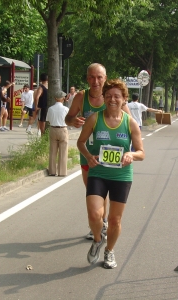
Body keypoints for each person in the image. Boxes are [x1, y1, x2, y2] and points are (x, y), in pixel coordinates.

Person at [77, 78, 145, 269]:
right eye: (108, 96)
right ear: (104, 98)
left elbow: (142, 153)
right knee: (94, 215)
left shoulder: (130, 123)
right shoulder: (94, 118)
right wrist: (88, 156)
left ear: (124, 99)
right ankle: (98, 240)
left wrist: (131, 154)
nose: (112, 100)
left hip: (121, 177)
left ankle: (109, 251)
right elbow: (81, 142)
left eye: (117, 96)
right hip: (98, 172)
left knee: (115, 220)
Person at [65, 63, 132, 240]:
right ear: (87, 79)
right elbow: (68, 117)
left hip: (113, 155)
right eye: (92, 77)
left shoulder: (112, 97)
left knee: (105, 188)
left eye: (99, 77)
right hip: (89, 152)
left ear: (105, 78)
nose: (95, 81)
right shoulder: (81, 97)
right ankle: (99, 222)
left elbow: (130, 122)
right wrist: (74, 121)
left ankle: (104, 223)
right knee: (93, 191)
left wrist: (129, 151)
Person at [46, 91, 69, 176]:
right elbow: (69, 121)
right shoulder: (66, 109)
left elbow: (48, 119)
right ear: (63, 98)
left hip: (53, 129)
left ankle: (52, 171)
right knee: (63, 151)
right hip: (62, 129)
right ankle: (62, 172)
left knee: (52, 151)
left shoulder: (50, 108)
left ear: (55, 98)